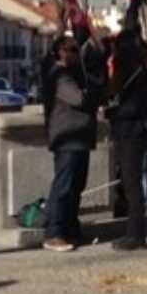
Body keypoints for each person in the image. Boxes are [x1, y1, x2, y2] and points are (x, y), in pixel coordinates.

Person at [41, 35, 101, 252]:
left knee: (77, 186)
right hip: (67, 137)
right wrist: (90, 93)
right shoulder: (59, 75)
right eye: (72, 50)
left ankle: (71, 228)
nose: (77, 54)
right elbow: (78, 99)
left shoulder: (72, 74)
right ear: (61, 52)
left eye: (77, 50)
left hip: (79, 137)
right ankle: (53, 232)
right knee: (64, 185)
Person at [104, 30, 147, 250]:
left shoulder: (136, 74)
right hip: (129, 132)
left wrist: (113, 113)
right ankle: (134, 232)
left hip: (131, 133)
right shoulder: (136, 72)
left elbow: (135, 107)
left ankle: (136, 235)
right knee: (130, 184)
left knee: (132, 185)